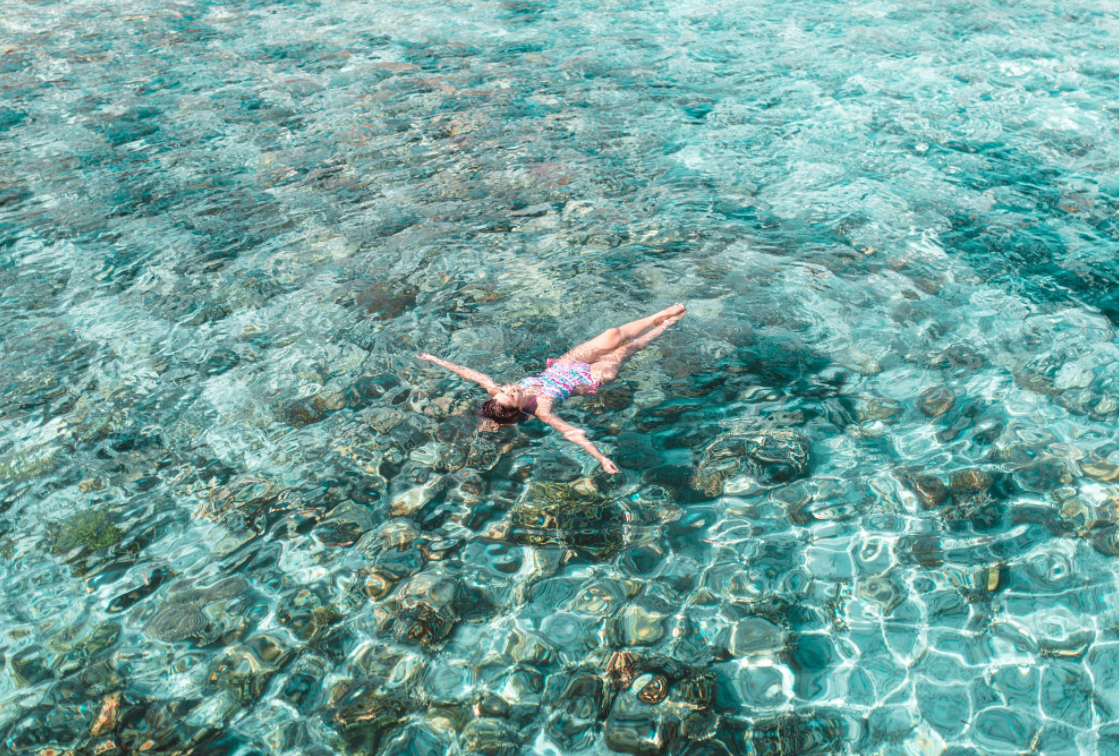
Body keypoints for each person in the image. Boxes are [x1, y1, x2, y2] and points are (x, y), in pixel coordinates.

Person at [417, 304, 686, 473]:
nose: (510, 389)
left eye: (506, 390)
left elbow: (471, 374)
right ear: (521, 408)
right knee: (628, 348)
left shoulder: (498, 392)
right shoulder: (542, 408)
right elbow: (572, 433)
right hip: (590, 378)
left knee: (612, 334)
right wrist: (601, 458)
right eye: (512, 395)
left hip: (567, 363)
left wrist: (435, 360)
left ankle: (657, 315)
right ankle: (666, 325)